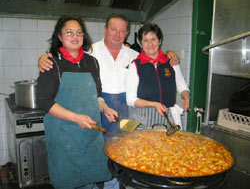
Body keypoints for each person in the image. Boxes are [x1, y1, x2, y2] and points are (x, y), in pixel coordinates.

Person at [38, 14, 180, 140]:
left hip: (122, 111)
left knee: (124, 150)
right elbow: (45, 98)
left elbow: (155, 58)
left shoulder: (134, 56)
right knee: (102, 150)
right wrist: (44, 58)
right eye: (113, 29)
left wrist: (169, 54)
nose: (117, 34)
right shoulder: (91, 53)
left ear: (127, 33)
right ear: (105, 29)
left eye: (122, 30)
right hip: (91, 113)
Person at [36, 15, 113, 189]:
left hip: (89, 133)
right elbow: (44, 102)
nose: (75, 36)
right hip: (64, 136)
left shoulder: (92, 62)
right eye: (69, 32)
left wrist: (105, 107)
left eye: (79, 32)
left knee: (90, 178)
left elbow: (97, 95)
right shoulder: (52, 62)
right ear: (60, 37)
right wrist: (76, 118)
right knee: (68, 181)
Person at [126, 23, 190, 130]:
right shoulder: (135, 65)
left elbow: (181, 85)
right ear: (141, 43)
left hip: (167, 118)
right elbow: (130, 100)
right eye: (145, 40)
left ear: (159, 41)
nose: (150, 44)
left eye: (153, 39)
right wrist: (154, 104)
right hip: (142, 120)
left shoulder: (171, 63)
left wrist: (186, 97)